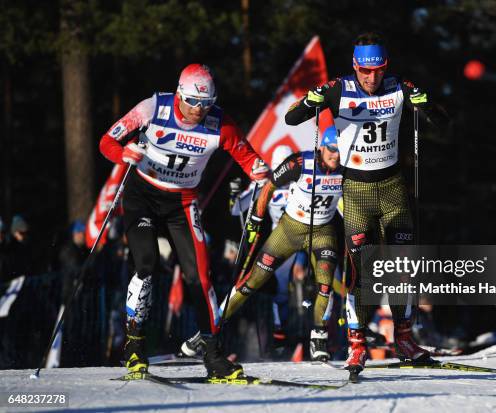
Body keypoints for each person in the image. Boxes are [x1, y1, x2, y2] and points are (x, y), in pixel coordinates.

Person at [99, 63, 269, 378]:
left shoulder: (220, 124)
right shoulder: (153, 107)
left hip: (183, 202)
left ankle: (215, 356)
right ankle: (134, 346)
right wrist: (123, 153)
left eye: (206, 104)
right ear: (179, 94)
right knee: (146, 263)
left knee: (199, 277)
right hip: (143, 197)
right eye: (192, 102)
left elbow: (250, 160)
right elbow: (107, 141)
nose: (198, 111)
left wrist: (261, 174)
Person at [285, 32, 437, 376]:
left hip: (394, 190)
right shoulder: (338, 89)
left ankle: (404, 340)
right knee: (360, 273)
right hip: (355, 192)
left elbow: (441, 121)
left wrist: (426, 103)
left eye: (379, 71)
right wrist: (310, 101)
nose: (373, 78)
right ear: (355, 67)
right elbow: (291, 119)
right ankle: (357, 346)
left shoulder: (398, 87)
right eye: (366, 72)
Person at [219, 126, 343, 361]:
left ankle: (319, 336)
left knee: (320, 282)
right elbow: (238, 209)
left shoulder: (312, 174)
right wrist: (235, 197)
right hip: (285, 235)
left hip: (313, 236)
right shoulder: (274, 180)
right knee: (264, 284)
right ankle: (274, 329)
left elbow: (336, 201)